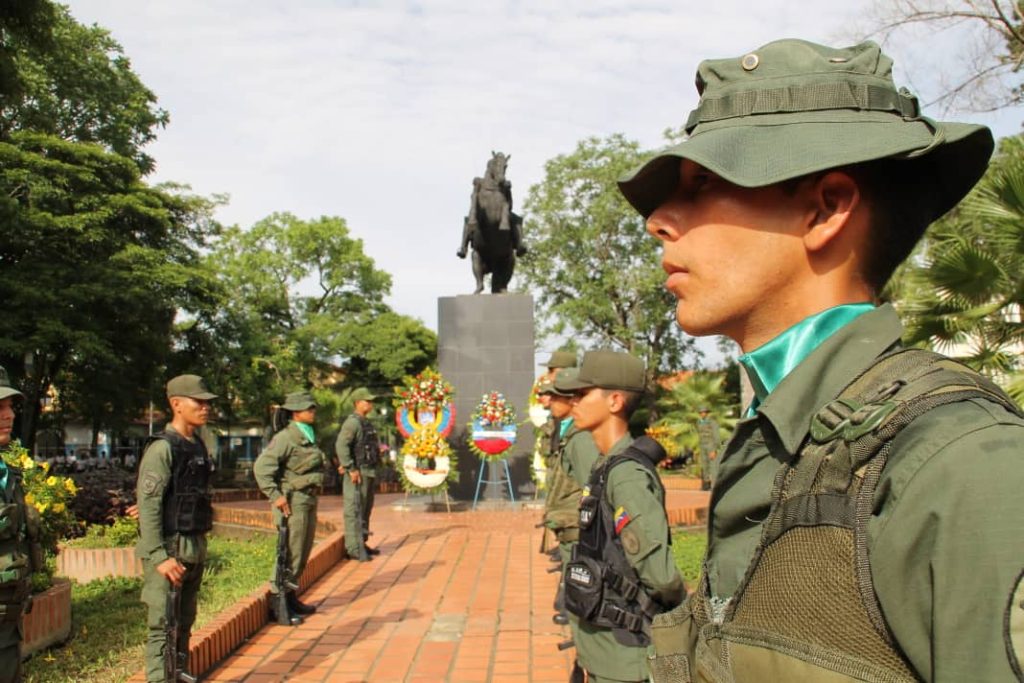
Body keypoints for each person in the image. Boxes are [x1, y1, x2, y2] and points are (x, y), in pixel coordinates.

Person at [619, 38, 1024, 682]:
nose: (660, 221)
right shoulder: (791, 432)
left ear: (827, 208)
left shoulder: (958, 468)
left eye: (702, 183)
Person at [559, 350, 685, 683]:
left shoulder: (625, 475)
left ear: (614, 401)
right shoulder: (605, 465)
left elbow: (661, 577)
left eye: (583, 394)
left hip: (624, 653)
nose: (573, 402)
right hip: (603, 647)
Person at [136, 375, 216, 682]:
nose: (205, 408)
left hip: (193, 547)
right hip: (169, 551)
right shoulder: (162, 448)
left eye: (208, 402)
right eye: (199, 402)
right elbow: (149, 506)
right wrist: (159, 556)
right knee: (162, 626)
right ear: (176, 404)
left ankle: (178, 675)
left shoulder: (196, 445)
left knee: (184, 622)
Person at [253, 391, 324, 625]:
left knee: (302, 552)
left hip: (307, 499)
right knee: (290, 552)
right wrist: (275, 495)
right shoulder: (286, 437)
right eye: (308, 408)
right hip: (292, 503)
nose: (313, 411)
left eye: (313, 407)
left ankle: (291, 596)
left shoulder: (307, 434)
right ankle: (279, 602)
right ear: (295, 412)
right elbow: (262, 467)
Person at [540, 369, 601, 626]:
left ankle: (576, 611)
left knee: (575, 564)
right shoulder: (566, 431)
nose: (550, 402)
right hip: (566, 518)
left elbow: (591, 482)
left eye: (556, 397)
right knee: (570, 561)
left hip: (575, 520)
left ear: (573, 401)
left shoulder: (580, 438)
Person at [0, 366, 42, 683]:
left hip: (8, 615)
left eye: (10, 406)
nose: (8, 415)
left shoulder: (9, 471)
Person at [335, 388, 382, 561]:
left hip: (368, 471)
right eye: (366, 401)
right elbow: (341, 445)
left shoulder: (365, 422)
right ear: (357, 402)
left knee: (365, 508)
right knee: (354, 509)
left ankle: (362, 543)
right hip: (358, 473)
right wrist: (350, 468)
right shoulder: (352, 423)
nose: (370, 404)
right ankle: (354, 548)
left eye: (370, 401)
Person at [695, 406, 718, 490]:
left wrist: (714, 449)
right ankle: (705, 485)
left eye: (704, 412)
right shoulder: (699, 422)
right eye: (701, 412)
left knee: (712, 466)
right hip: (702, 446)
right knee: (704, 466)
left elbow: (716, 436)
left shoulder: (712, 422)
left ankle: (714, 485)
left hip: (710, 445)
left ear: (707, 413)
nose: (702, 414)